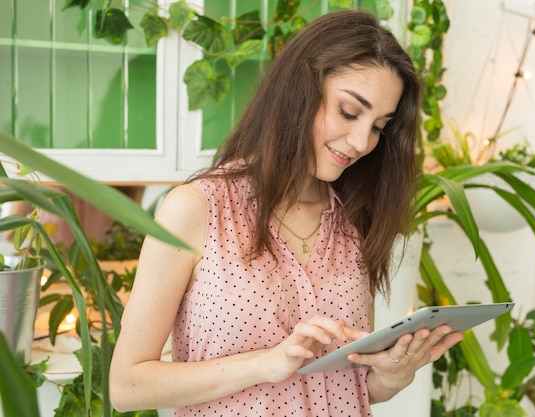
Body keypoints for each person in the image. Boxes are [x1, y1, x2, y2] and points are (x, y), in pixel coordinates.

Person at [109, 9, 463, 416]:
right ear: (299, 91)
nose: (362, 141)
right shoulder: (197, 209)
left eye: (379, 126)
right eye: (349, 112)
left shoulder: (354, 222)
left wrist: (392, 376)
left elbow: (348, 384)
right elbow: (127, 385)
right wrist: (265, 363)